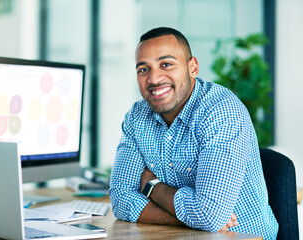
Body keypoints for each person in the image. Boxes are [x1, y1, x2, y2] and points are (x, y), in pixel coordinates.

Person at [109, 27, 278, 240]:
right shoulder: (136, 117)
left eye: (166, 64)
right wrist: (196, 220)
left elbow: (209, 215)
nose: (153, 79)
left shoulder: (221, 111)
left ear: (193, 67)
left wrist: (151, 186)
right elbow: (120, 199)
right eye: (143, 69)